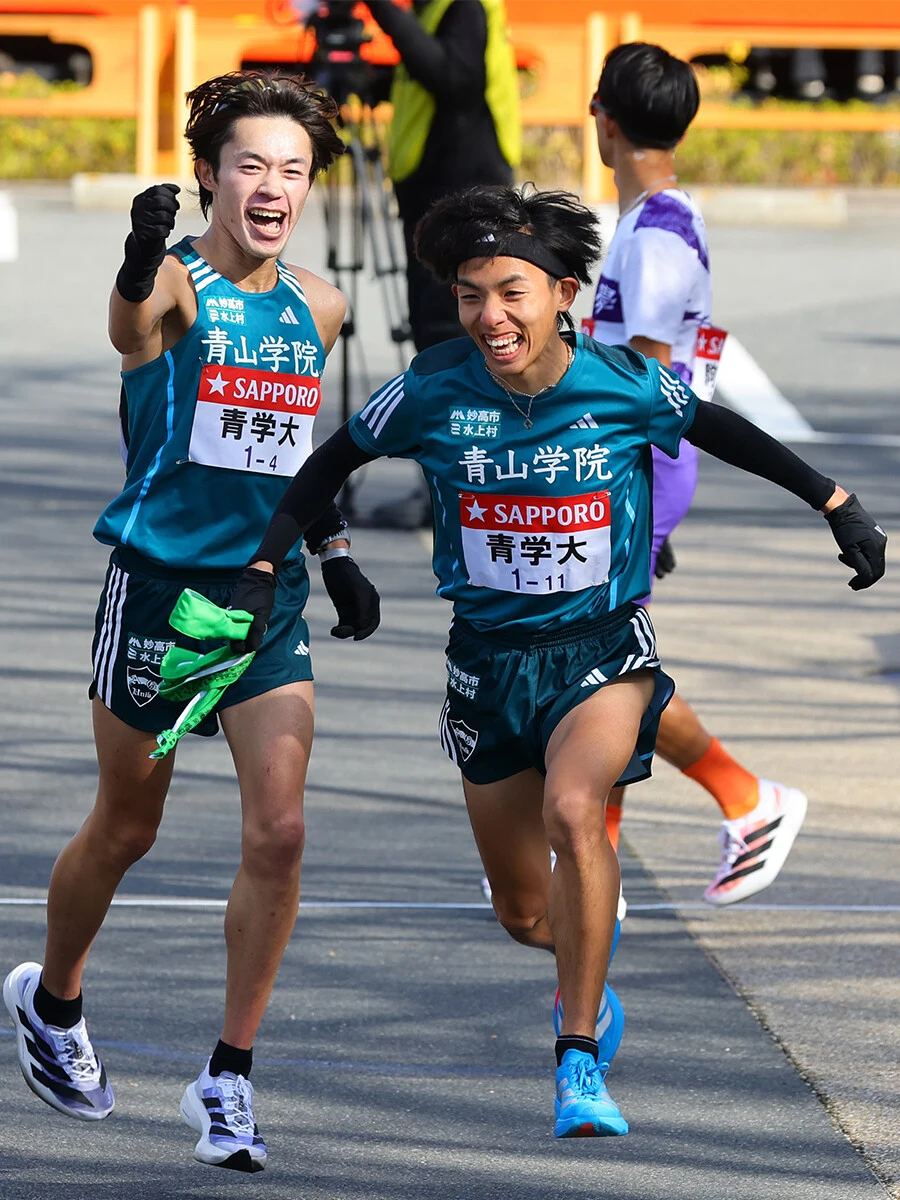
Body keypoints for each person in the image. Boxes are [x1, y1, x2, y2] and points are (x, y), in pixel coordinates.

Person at [224, 184, 886, 1138]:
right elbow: (330, 461)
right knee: (524, 915)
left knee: (577, 810)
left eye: (511, 292)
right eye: (468, 295)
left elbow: (718, 427)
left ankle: (576, 1062)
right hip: (487, 666)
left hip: (601, 649)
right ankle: (587, 968)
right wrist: (281, 562)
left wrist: (836, 505)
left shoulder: (618, 383)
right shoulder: (433, 386)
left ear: (564, 292)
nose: (489, 317)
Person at [3, 71, 379, 1173]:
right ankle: (53, 1000)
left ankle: (228, 1078)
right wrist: (134, 261)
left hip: (266, 601)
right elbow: (131, 329)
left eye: (293, 171)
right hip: (164, 594)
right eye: (251, 166)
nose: (273, 188)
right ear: (210, 174)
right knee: (129, 828)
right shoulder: (177, 284)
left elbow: (303, 450)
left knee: (282, 831)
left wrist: (335, 550)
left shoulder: (319, 305)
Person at [587, 41, 809, 905]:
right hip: (642, 463)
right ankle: (604, 851)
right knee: (599, 660)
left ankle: (742, 799)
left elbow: (638, 379)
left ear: (603, 119)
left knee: (600, 666)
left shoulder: (656, 234)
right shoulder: (662, 218)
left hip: (635, 459)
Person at [364, 0, 521, 528]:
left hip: (463, 201)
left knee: (451, 338)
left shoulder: (465, 7)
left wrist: (382, 13)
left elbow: (453, 79)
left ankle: (459, 488)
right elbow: (430, 80)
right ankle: (446, 486)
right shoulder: (437, 9)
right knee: (439, 337)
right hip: (440, 198)